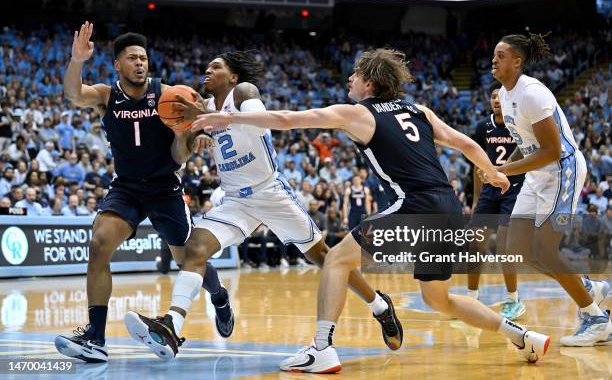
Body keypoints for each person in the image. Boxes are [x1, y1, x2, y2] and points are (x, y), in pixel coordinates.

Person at [191, 48, 551, 372]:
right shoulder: (419, 110)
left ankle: (322, 348)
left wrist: (230, 119)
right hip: (448, 207)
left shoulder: (358, 114)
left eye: (355, 74)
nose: (349, 79)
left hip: (414, 207)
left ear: (370, 82)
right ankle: (521, 335)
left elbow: (286, 120)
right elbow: (466, 144)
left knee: (335, 261)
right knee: (437, 298)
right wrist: (493, 173)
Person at [123, 50, 402, 361]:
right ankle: (172, 324)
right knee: (194, 251)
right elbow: (180, 155)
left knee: (324, 258)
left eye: (216, 67)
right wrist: (189, 131)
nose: (207, 70)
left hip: (270, 193)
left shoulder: (244, 92)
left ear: (232, 77)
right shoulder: (204, 110)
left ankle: (379, 305)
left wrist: (215, 124)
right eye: (208, 66)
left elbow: (260, 126)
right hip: (235, 201)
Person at [54, 22, 231, 364]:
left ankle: (219, 297)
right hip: (127, 189)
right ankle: (96, 337)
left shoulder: (169, 95)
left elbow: (180, 157)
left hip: (165, 187)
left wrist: (184, 136)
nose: (139, 63)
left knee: (189, 261)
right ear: (118, 64)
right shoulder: (107, 95)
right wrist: (77, 61)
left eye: (143, 58)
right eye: (132, 58)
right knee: (98, 243)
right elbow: (75, 95)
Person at [489, 33, 610, 346]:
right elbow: (525, 146)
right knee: (519, 249)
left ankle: (596, 319)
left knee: (545, 249)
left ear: (517, 61)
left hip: (562, 172)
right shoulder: (504, 93)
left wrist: (503, 170)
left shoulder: (533, 94)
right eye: (494, 54)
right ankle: (588, 287)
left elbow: (552, 151)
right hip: (536, 176)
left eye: (501, 55)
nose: (494, 59)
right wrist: (508, 173)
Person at [468, 81, 526, 320]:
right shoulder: (483, 127)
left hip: (513, 191)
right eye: (492, 96)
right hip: (489, 193)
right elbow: (476, 163)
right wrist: (476, 197)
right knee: (475, 244)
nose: (495, 100)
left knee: (504, 247)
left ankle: (514, 299)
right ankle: (471, 298)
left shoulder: (519, 126)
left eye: (499, 96)